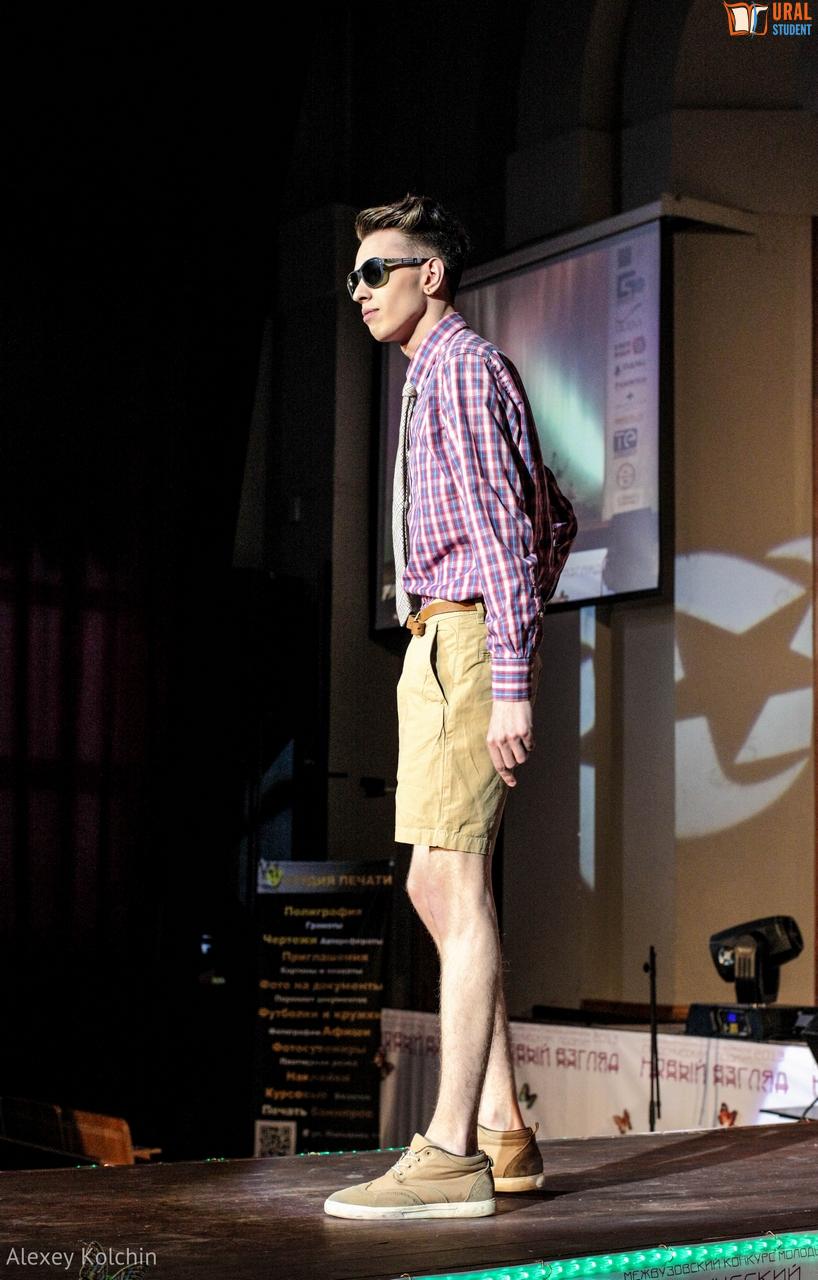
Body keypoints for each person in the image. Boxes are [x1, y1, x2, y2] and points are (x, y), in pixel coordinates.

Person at [324, 193, 575, 1221]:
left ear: (429, 273)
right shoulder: (431, 375)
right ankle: (505, 1128)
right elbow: (555, 512)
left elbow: (515, 534)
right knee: (436, 886)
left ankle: (449, 1151)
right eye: (351, 277)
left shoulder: (463, 368)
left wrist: (508, 671)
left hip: (465, 642)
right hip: (438, 640)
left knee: (453, 884)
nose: (358, 292)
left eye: (374, 271)